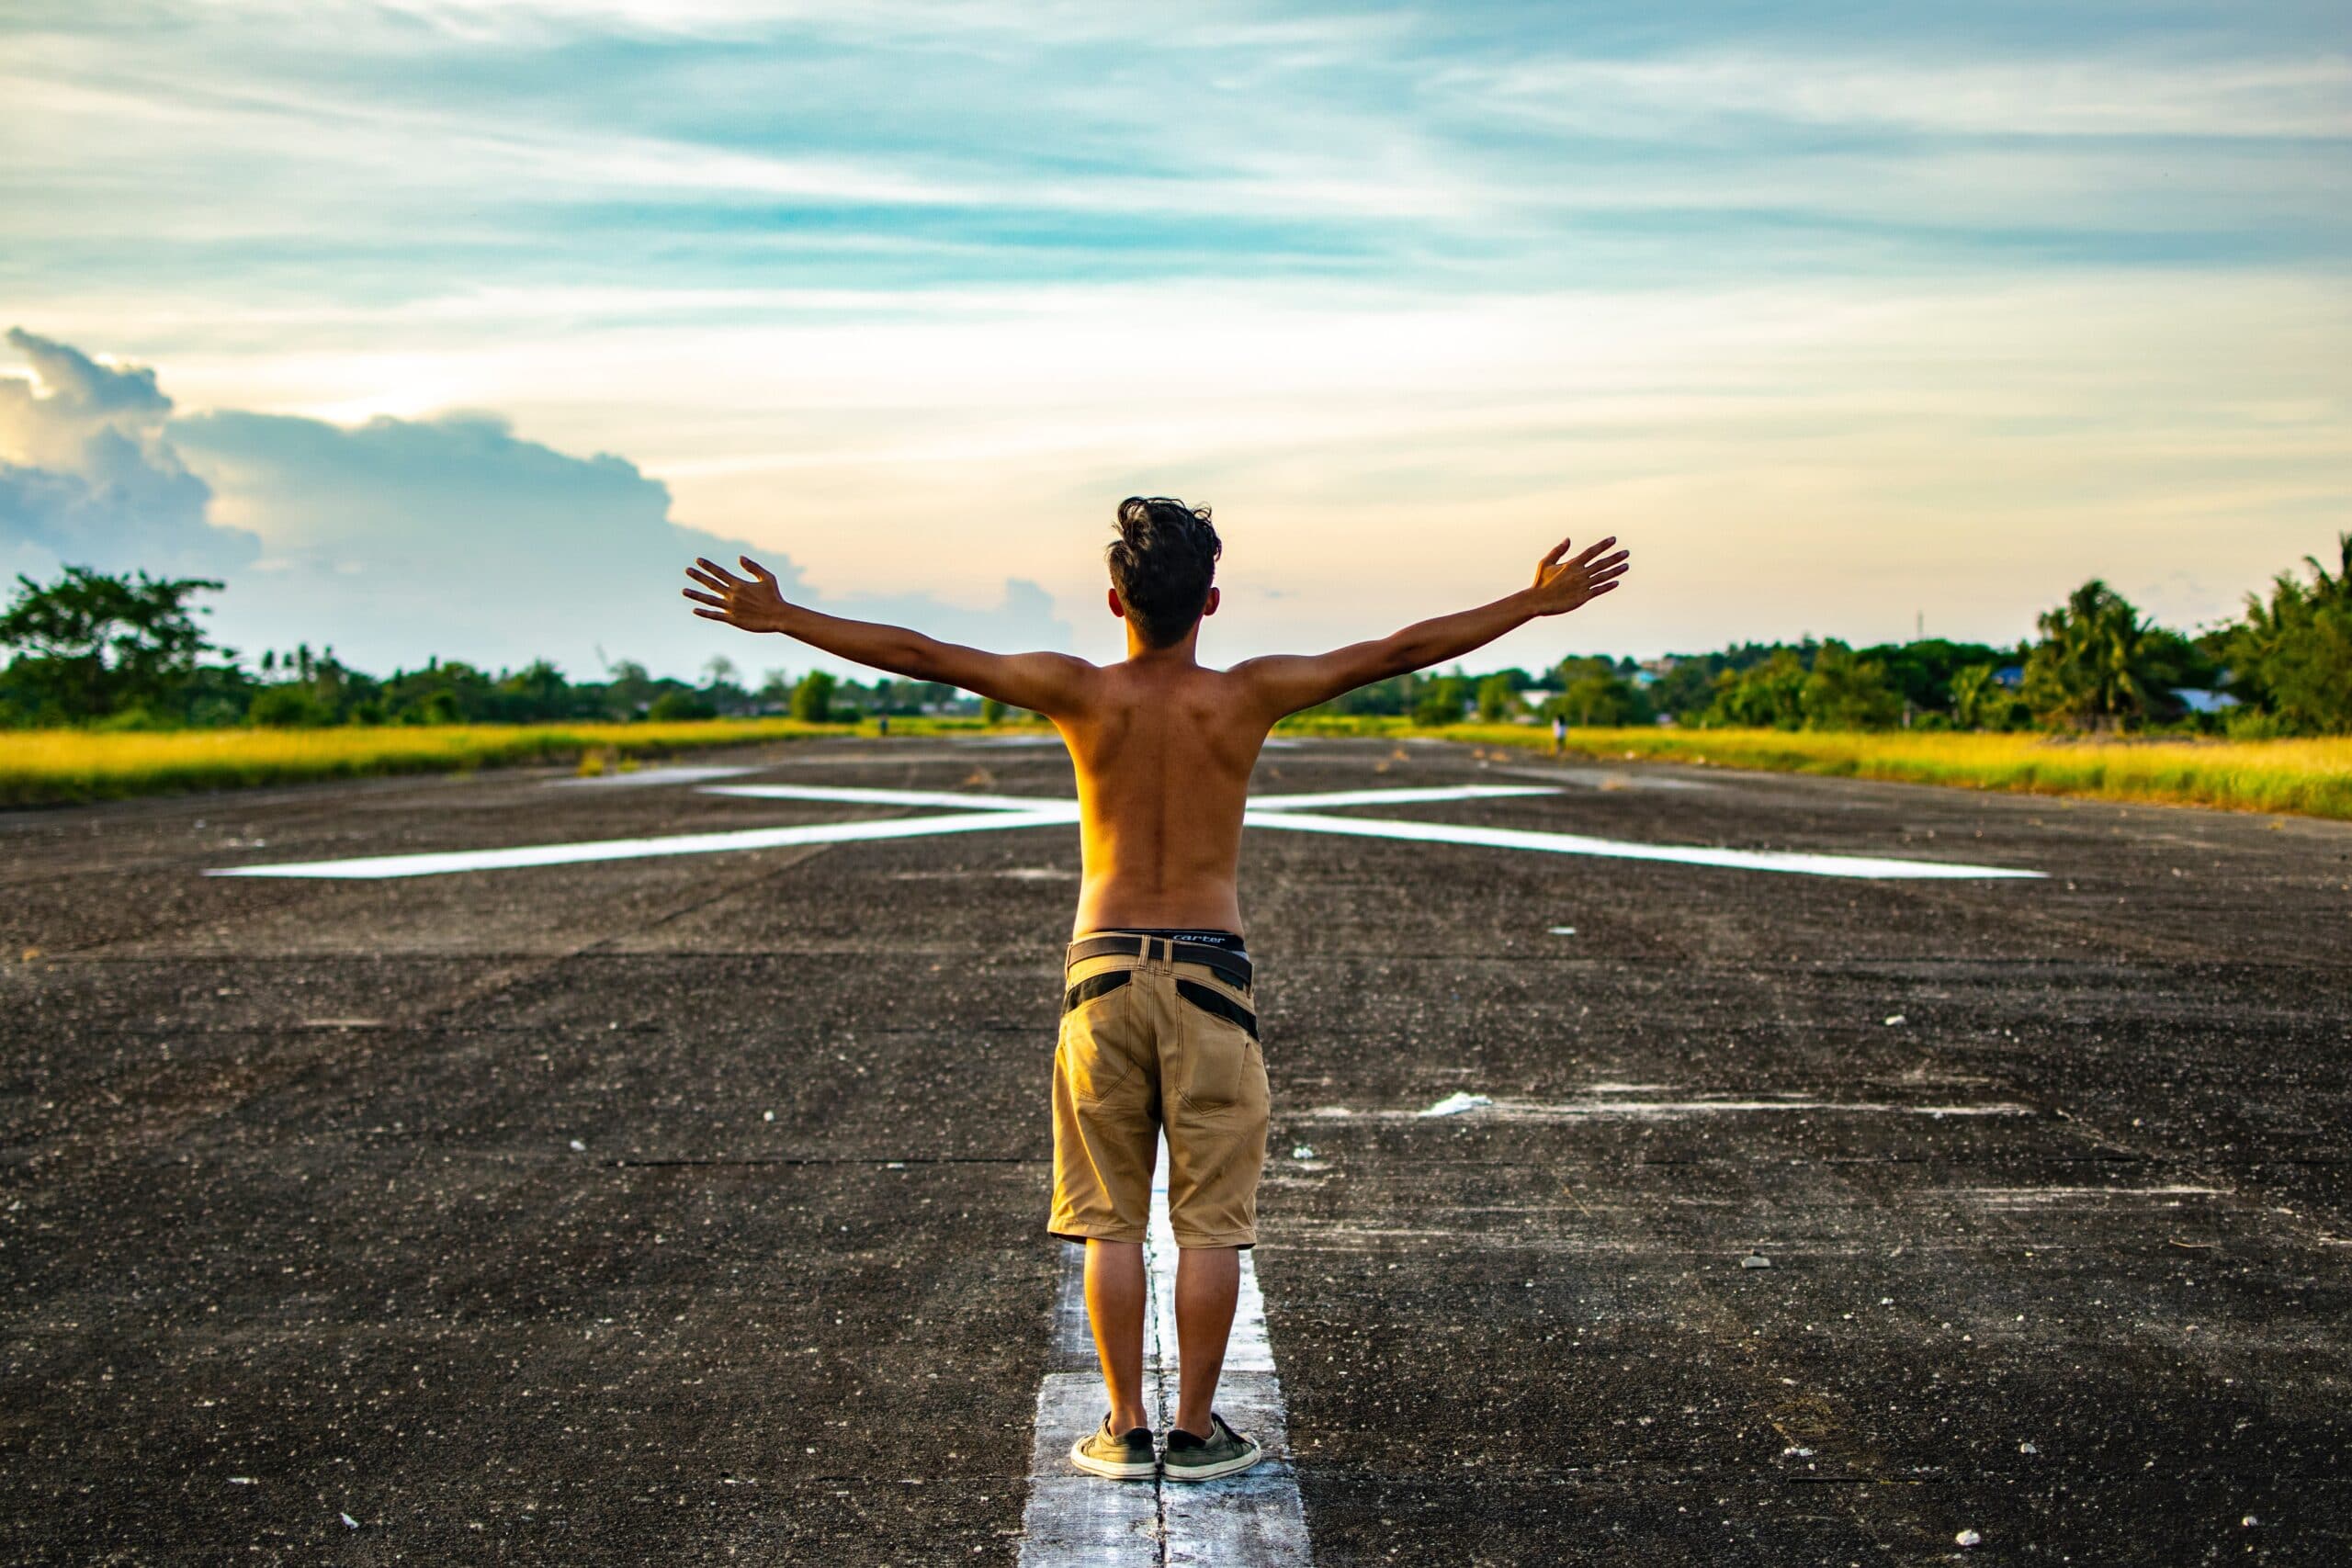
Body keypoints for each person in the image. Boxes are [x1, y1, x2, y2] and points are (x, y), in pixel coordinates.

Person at [684, 498, 1629, 1483]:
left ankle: (1125, 1427)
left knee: (1108, 1217)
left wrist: (789, 618)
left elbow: (924, 654)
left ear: (1114, 601)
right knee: (1211, 1221)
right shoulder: (1248, 694)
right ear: (1210, 602)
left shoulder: (1077, 691)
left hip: (1101, 974)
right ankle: (1196, 1428)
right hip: (1212, 974)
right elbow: (1397, 651)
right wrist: (1529, 604)